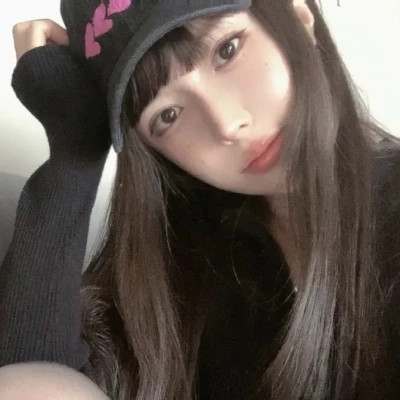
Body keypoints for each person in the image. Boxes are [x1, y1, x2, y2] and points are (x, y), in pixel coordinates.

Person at [0, 0, 399, 399]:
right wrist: (74, 151)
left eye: (228, 49)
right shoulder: (182, 273)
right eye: (168, 115)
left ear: (297, 13)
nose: (227, 124)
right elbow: (30, 381)